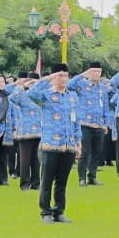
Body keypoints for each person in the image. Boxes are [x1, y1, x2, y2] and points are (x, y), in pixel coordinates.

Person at [24, 65, 81, 223]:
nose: (63, 79)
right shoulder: (46, 95)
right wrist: (47, 78)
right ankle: (45, 212)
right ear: (55, 77)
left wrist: (78, 142)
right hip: (50, 144)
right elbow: (31, 94)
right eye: (60, 76)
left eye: (65, 76)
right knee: (47, 180)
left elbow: (76, 120)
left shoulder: (72, 97)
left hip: (68, 144)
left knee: (62, 182)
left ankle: (59, 211)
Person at [70, 63, 110, 186]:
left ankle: (92, 176)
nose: (96, 74)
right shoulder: (82, 84)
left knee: (97, 152)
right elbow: (69, 85)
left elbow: (105, 106)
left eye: (98, 72)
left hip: (98, 124)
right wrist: (82, 75)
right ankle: (82, 178)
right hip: (84, 124)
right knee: (85, 152)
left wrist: (106, 123)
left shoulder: (102, 88)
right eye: (93, 71)